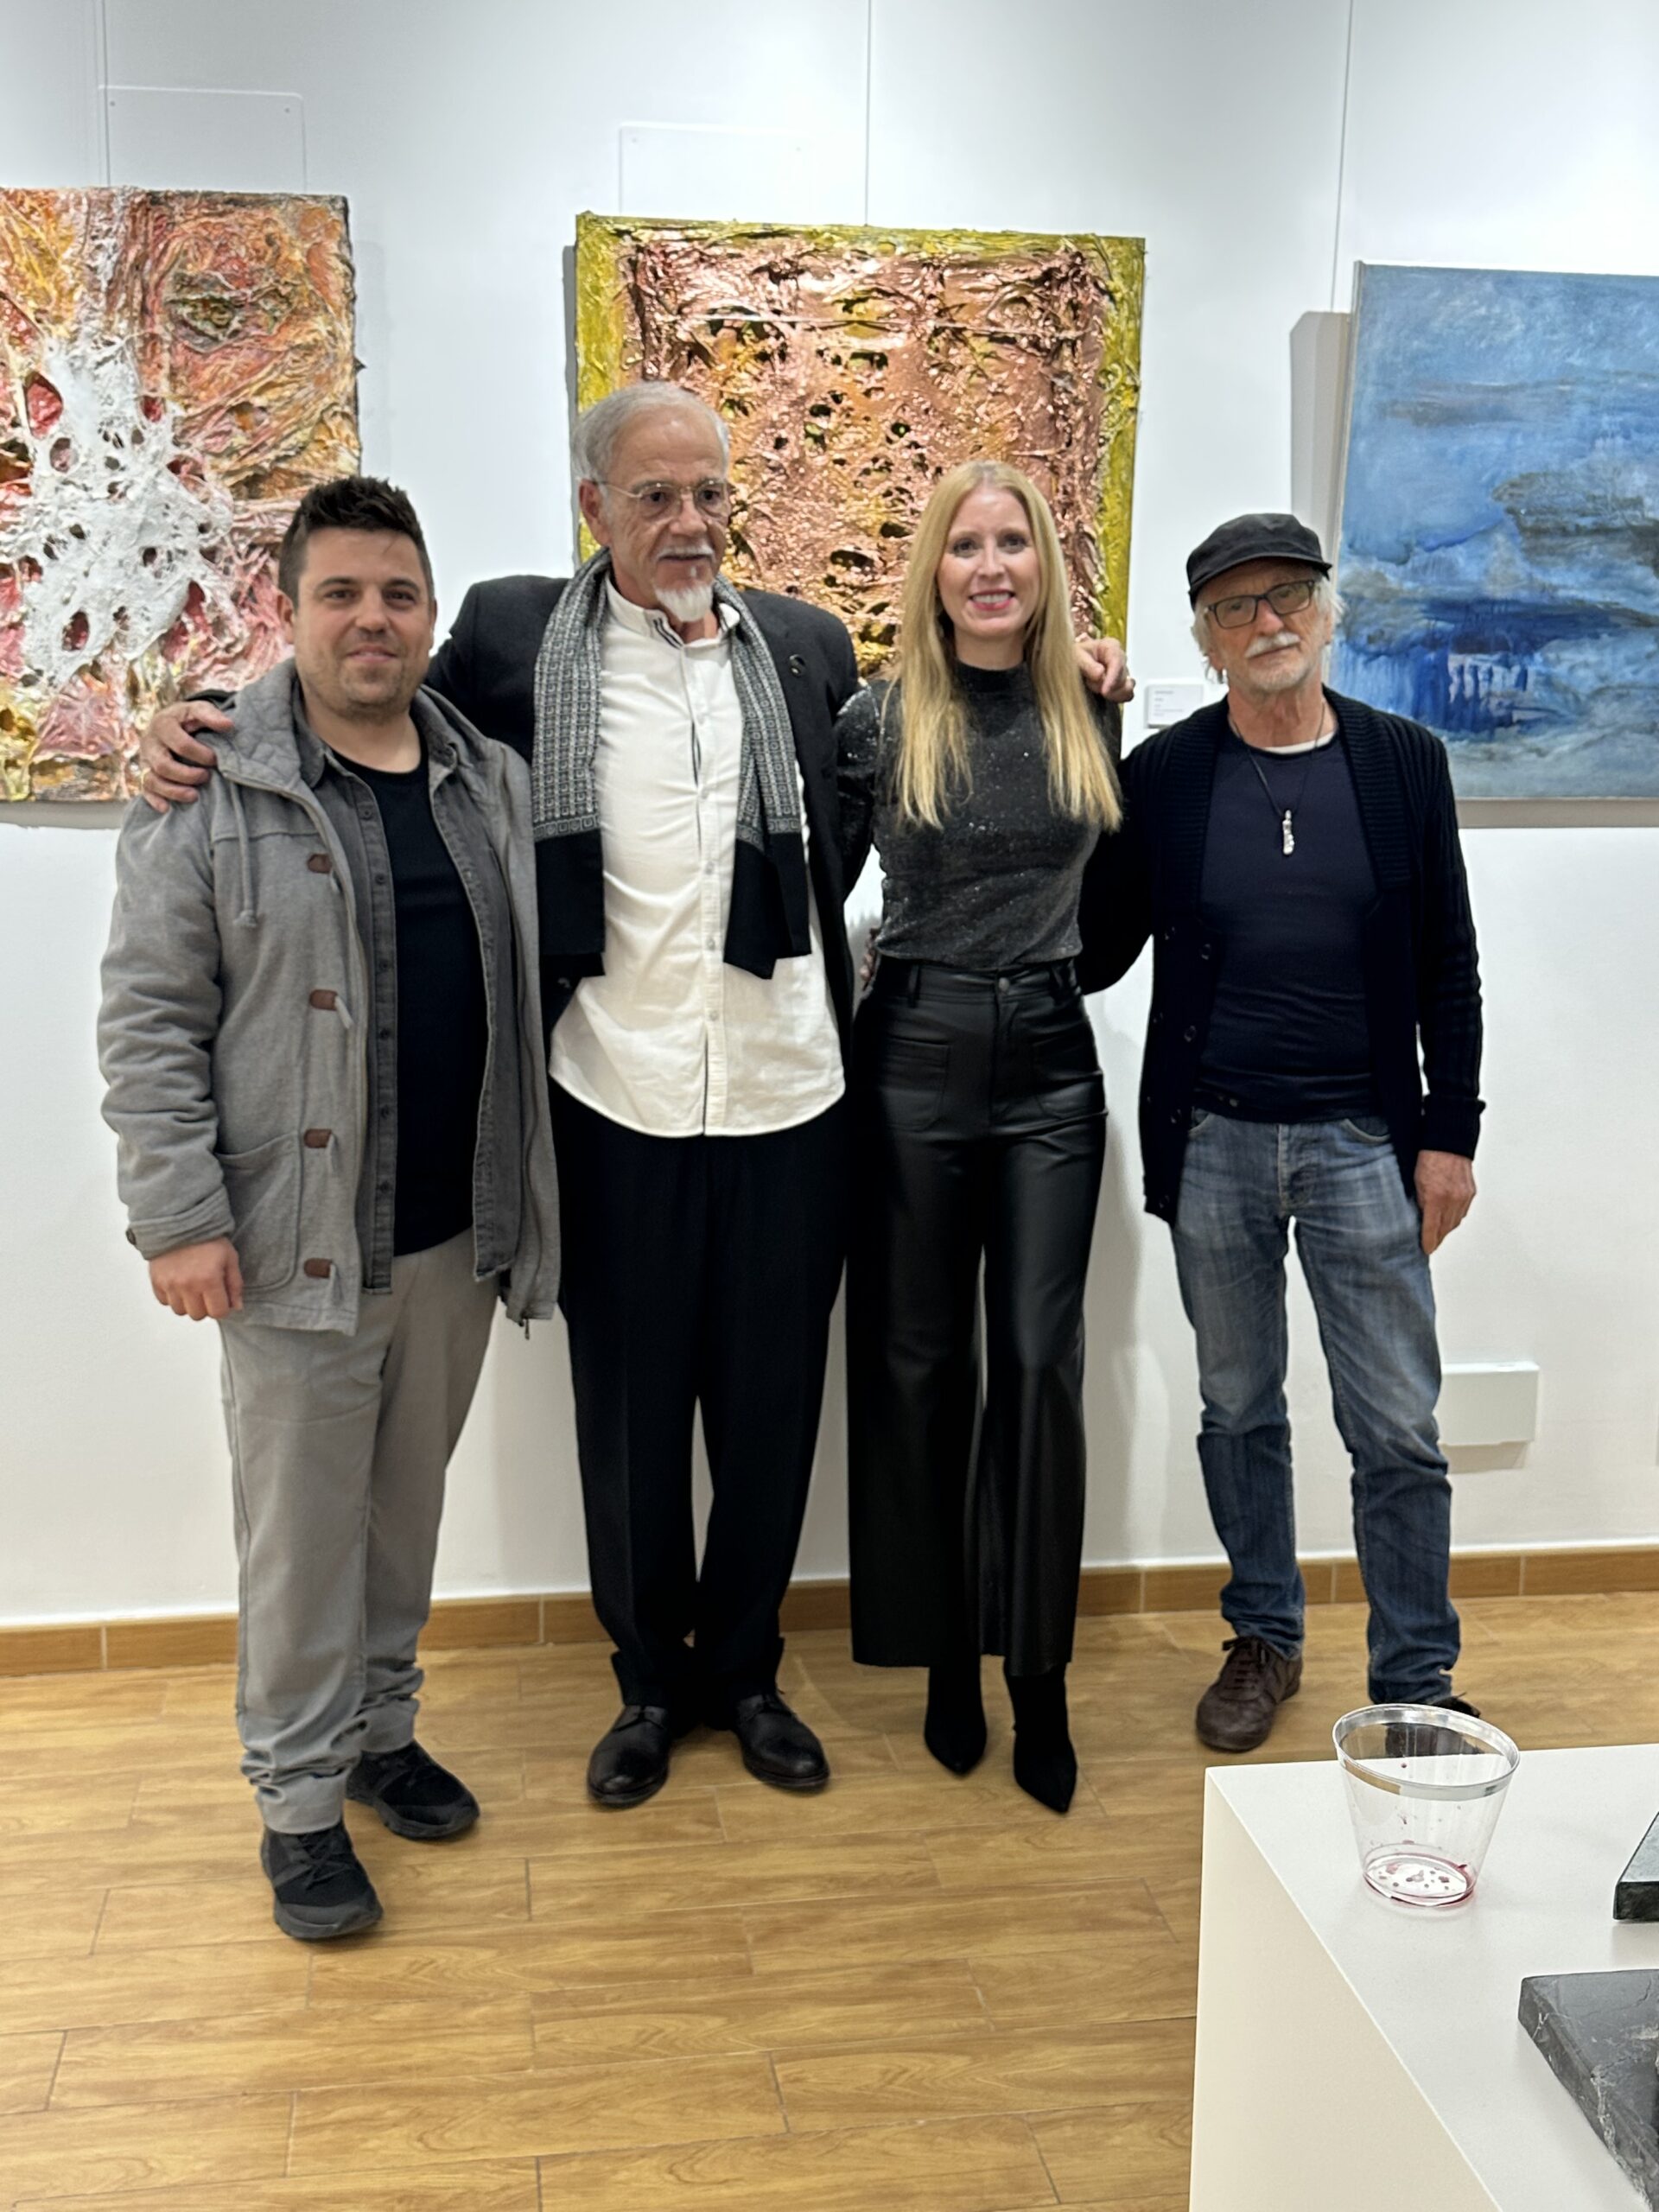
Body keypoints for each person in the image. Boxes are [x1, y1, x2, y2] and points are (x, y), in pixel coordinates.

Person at [138, 384, 1134, 1811]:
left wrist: (1089, 673)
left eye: (710, 495)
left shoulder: (805, 647)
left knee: (773, 1416)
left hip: (794, 1095)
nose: (687, 523)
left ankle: (749, 1674)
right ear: (593, 506)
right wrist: (194, 725)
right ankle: (651, 1686)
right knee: (630, 1421)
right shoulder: (513, 635)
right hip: (612, 1095)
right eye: (655, 496)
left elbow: (931, 749)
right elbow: (360, 679)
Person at [99, 475, 559, 1938]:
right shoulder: (211, 782)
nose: (374, 620)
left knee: (400, 1518)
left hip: (454, 1237)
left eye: (398, 594)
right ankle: (297, 1805)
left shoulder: (484, 776)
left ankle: (379, 1734)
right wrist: (178, 1215)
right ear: (286, 610)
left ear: (429, 615)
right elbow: (150, 1019)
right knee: (300, 1540)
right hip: (292, 1245)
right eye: (341, 594)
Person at [1078, 512, 1484, 1752]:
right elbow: (1094, 949)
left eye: (1289, 597)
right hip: (1214, 1142)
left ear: (1326, 609)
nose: (1268, 624)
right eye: (1235, 608)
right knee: (1238, 1408)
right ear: (1206, 641)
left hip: (1367, 1142)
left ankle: (1416, 1679)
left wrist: (1450, 1135)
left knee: (1397, 1427)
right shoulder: (1168, 777)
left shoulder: (1403, 762)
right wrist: (1086, 739)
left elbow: (1449, 966)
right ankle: (1264, 1635)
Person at [836, 461, 1122, 1814]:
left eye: (1015, 542)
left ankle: (1040, 1677)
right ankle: (947, 1653)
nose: (992, 565)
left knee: (1039, 1365)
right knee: (920, 1367)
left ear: (1045, 568)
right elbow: (802, 887)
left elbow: (1120, 898)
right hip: (916, 1052)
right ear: (935, 573)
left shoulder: (1088, 708)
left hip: (1055, 1062)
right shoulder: (879, 718)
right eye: (967, 545)